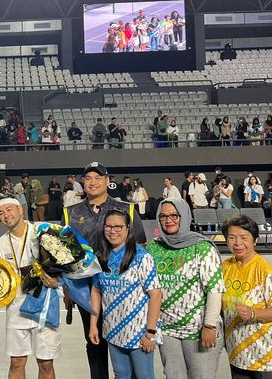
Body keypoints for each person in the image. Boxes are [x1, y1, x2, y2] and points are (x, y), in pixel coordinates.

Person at [61, 162, 146, 379]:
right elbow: (63, 255)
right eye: (88, 178)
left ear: (108, 181)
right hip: (86, 291)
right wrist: (67, 289)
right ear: (82, 182)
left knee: (127, 343)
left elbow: (140, 249)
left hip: (122, 290)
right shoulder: (70, 213)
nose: (93, 182)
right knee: (94, 343)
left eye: (98, 178)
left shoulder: (127, 209)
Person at [146, 198, 224, 379]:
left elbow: (214, 289)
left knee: (201, 376)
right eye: (163, 216)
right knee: (174, 376)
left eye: (174, 215)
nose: (168, 220)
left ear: (185, 216)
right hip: (166, 330)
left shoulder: (202, 247)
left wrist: (209, 325)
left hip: (197, 328)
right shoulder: (153, 248)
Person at [89, 209, 162, 379]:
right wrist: (94, 325)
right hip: (113, 330)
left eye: (118, 227)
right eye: (108, 226)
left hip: (139, 332)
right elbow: (96, 291)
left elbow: (156, 295)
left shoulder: (142, 257)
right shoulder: (100, 257)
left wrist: (150, 332)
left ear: (128, 228)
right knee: (121, 375)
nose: (112, 231)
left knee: (144, 375)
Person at [0, 197, 61, 379]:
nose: (6, 215)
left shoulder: (41, 232)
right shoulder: (0, 244)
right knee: (16, 362)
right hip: (16, 308)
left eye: (9, 210)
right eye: (1, 213)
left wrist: (57, 281)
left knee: (46, 363)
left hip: (44, 306)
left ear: (21, 209)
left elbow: (64, 266)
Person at [220, 216, 272, 379]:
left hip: (267, 353)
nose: (237, 243)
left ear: (255, 240)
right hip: (238, 353)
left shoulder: (266, 270)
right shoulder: (224, 267)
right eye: (232, 237)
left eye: (244, 237)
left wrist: (253, 313)